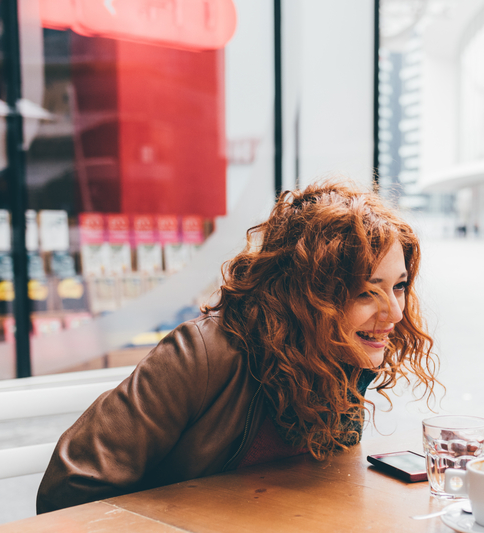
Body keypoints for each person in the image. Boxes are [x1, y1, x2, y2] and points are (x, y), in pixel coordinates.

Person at [37, 181, 437, 513]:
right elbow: (71, 488)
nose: (395, 313)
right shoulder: (204, 353)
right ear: (308, 293)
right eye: (367, 292)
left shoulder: (343, 353)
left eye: (398, 286)